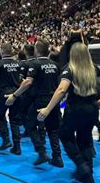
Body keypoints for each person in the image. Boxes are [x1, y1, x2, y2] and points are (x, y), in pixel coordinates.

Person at [38, 43, 100, 183]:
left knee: (64, 135)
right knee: (85, 139)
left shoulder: (70, 69)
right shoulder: (93, 69)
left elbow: (61, 90)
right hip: (92, 109)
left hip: (76, 108)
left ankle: (81, 164)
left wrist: (48, 109)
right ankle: (88, 174)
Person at [5, 39, 63, 167]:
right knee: (53, 129)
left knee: (29, 124)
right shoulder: (55, 64)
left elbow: (28, 82)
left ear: (36, 50)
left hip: (39, 100)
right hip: (53, 100)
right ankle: (57, 157)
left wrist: (15, 95)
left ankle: (42, 152)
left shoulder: (35, 64)